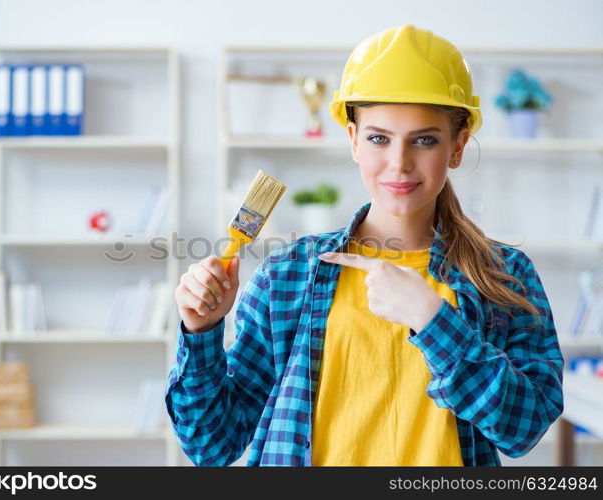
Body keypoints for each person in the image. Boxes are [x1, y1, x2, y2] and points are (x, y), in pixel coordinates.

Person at [167, 24, 564, 466]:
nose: (399, 162)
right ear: (354, 140)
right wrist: (200, 333)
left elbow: (524, 430)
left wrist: (431, 319)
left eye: (425, 139)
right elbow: (212, 445)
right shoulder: (288, 275)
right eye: (379, 138)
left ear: (457, 146)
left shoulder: (503, 274)